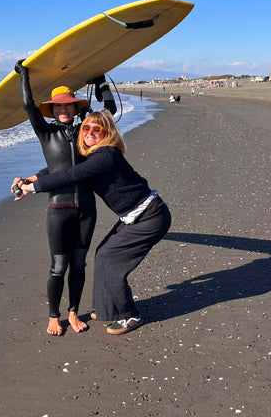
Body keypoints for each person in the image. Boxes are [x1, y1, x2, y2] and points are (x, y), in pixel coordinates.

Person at [12, 110, 169, 335]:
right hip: (135, 216)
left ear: (108, 133)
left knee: (110, 259)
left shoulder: (106, 155)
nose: (90, 133)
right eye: (86, 128)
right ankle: (107, 308)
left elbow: (72, 175)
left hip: (149, 216)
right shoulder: (94, 156)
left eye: (97, 129)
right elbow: (63, 169)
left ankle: (129, 315)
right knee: (103, 252)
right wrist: (31, 179)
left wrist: (33, 188)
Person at [16, 61, 117, 335]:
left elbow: (110, 110)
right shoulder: (46, 133)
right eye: (58, 106)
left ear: (76, 108)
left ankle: (73, 313)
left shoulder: (88, 132)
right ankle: (53, 315)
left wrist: (101, 83)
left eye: (68, 105)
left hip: (86, 209)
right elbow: (28, 107)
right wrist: (24, 75)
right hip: (58, 209)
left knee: (80, 263)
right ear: (52, 110)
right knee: (59, 266)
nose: (63, 110)